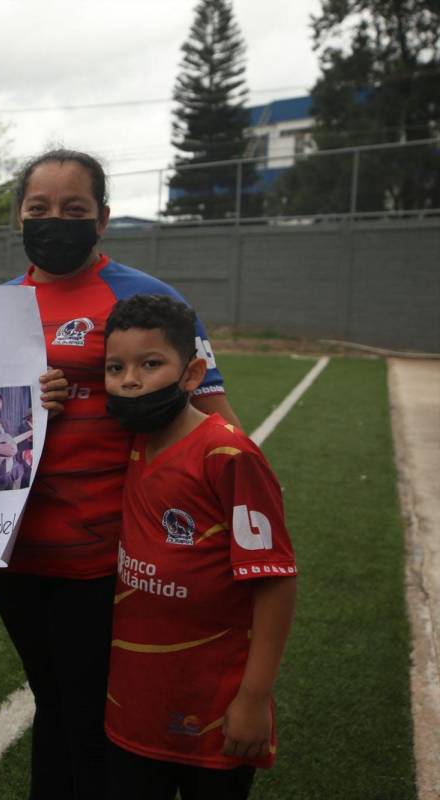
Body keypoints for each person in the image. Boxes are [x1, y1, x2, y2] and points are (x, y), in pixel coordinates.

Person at [0, 149, 241, 799]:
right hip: (16, 556)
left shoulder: (150, 301)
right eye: (39, 208)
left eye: (74, 209)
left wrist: (236, 529)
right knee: (56, 701)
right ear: (18, 216)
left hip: (110, 558)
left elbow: (217, 424)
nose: (55, 220)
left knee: (88, 714)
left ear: (102, 219)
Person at [102, 294, 297, 799]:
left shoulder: (228, 454)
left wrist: (254, 699)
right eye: (115, 367)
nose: (129, 381)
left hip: (214, 706)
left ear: (192, 375)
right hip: (135, 707)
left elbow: (274, 581)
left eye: (150, 364)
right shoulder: (135, 442)